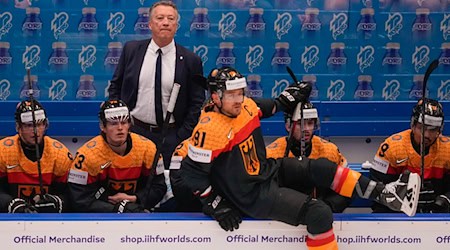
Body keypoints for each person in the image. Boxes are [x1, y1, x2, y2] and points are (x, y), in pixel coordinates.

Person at [179, 66, 421, 250]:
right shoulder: (209, 130)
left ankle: (388, 195)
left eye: (241, 92)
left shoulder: (246, 106)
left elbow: (273, 106)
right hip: (251, 196)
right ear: (215, 97)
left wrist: (291, 96)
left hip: (265, 171)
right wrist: (215, 204)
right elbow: (190, 173)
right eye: (232, 94)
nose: (239, 99)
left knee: (324, 168)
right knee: (320, 214)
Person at [108, 0, 205, 171]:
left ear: (177, 25)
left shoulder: (191, 60)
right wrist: (120, 125)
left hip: (171, 136)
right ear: (150, 24)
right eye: (160, 18)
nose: (165, 22)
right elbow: (115, 86)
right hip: (134, 132)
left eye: (171, 18)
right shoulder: (131, 50)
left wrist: (181, 136)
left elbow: (196, 102)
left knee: (166, 189)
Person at [67, 100, 166, 213]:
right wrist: (117, 209)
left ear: (129, 125)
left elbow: (159, 187)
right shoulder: (86, 155)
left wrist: (135, 199)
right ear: (103, 127)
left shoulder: (149, 148)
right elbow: (79, 199)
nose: (120, 128)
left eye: (124, 122)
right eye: (113, 123)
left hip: (138, 211)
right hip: (100, 218)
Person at [266, 102, 351, 212]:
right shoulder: (273, 153)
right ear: (288, 126)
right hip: (284, 216)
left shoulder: (330, 150)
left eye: (310, 123)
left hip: (320, 215)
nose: (306, 129)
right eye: (301, 124)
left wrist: (327, 207)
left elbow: (347, 188)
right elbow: (264, 193)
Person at [370, 98, 450, 214]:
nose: (427, 135)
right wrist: (404, 197)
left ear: (440, 130)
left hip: (438, 214)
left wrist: (446, 199)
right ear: (412, 125)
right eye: (422, 128)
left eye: (433, 130)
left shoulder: (447, 149)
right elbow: (375, 190)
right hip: (397, 213)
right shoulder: (392, 147)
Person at [0, 100, 72, 213]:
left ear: (45, 125)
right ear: (18, 127)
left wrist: (57, 202)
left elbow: (73, 195)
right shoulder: (3, 151)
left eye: (39, 124)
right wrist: (8, 204)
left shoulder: (60, 154)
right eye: (29, 125)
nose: (35, 131)